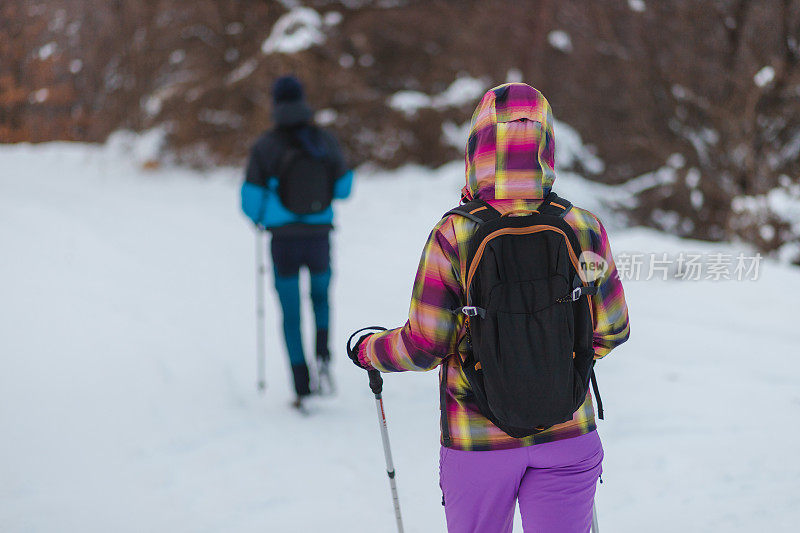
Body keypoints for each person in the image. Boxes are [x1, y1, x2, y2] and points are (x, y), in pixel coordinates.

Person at [349, 83, 629, 532]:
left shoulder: (455, 234)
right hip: (568, 431)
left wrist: (370, 351)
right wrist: (555, 355)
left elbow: (425, 346)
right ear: (547, 144)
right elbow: (612, 328)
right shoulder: (583, 227)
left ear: (478, 146)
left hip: (477, 444)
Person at [241, 75, 353, 407]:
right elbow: (345, 188)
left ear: (276, 104)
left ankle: (300, 384)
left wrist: (266, 217)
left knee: (290, 312)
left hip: (283, 242)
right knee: (320, 300)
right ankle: (323, 359)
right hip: (319, 238)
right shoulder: (324, 140)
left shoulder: (265, 146)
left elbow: (249, 202)